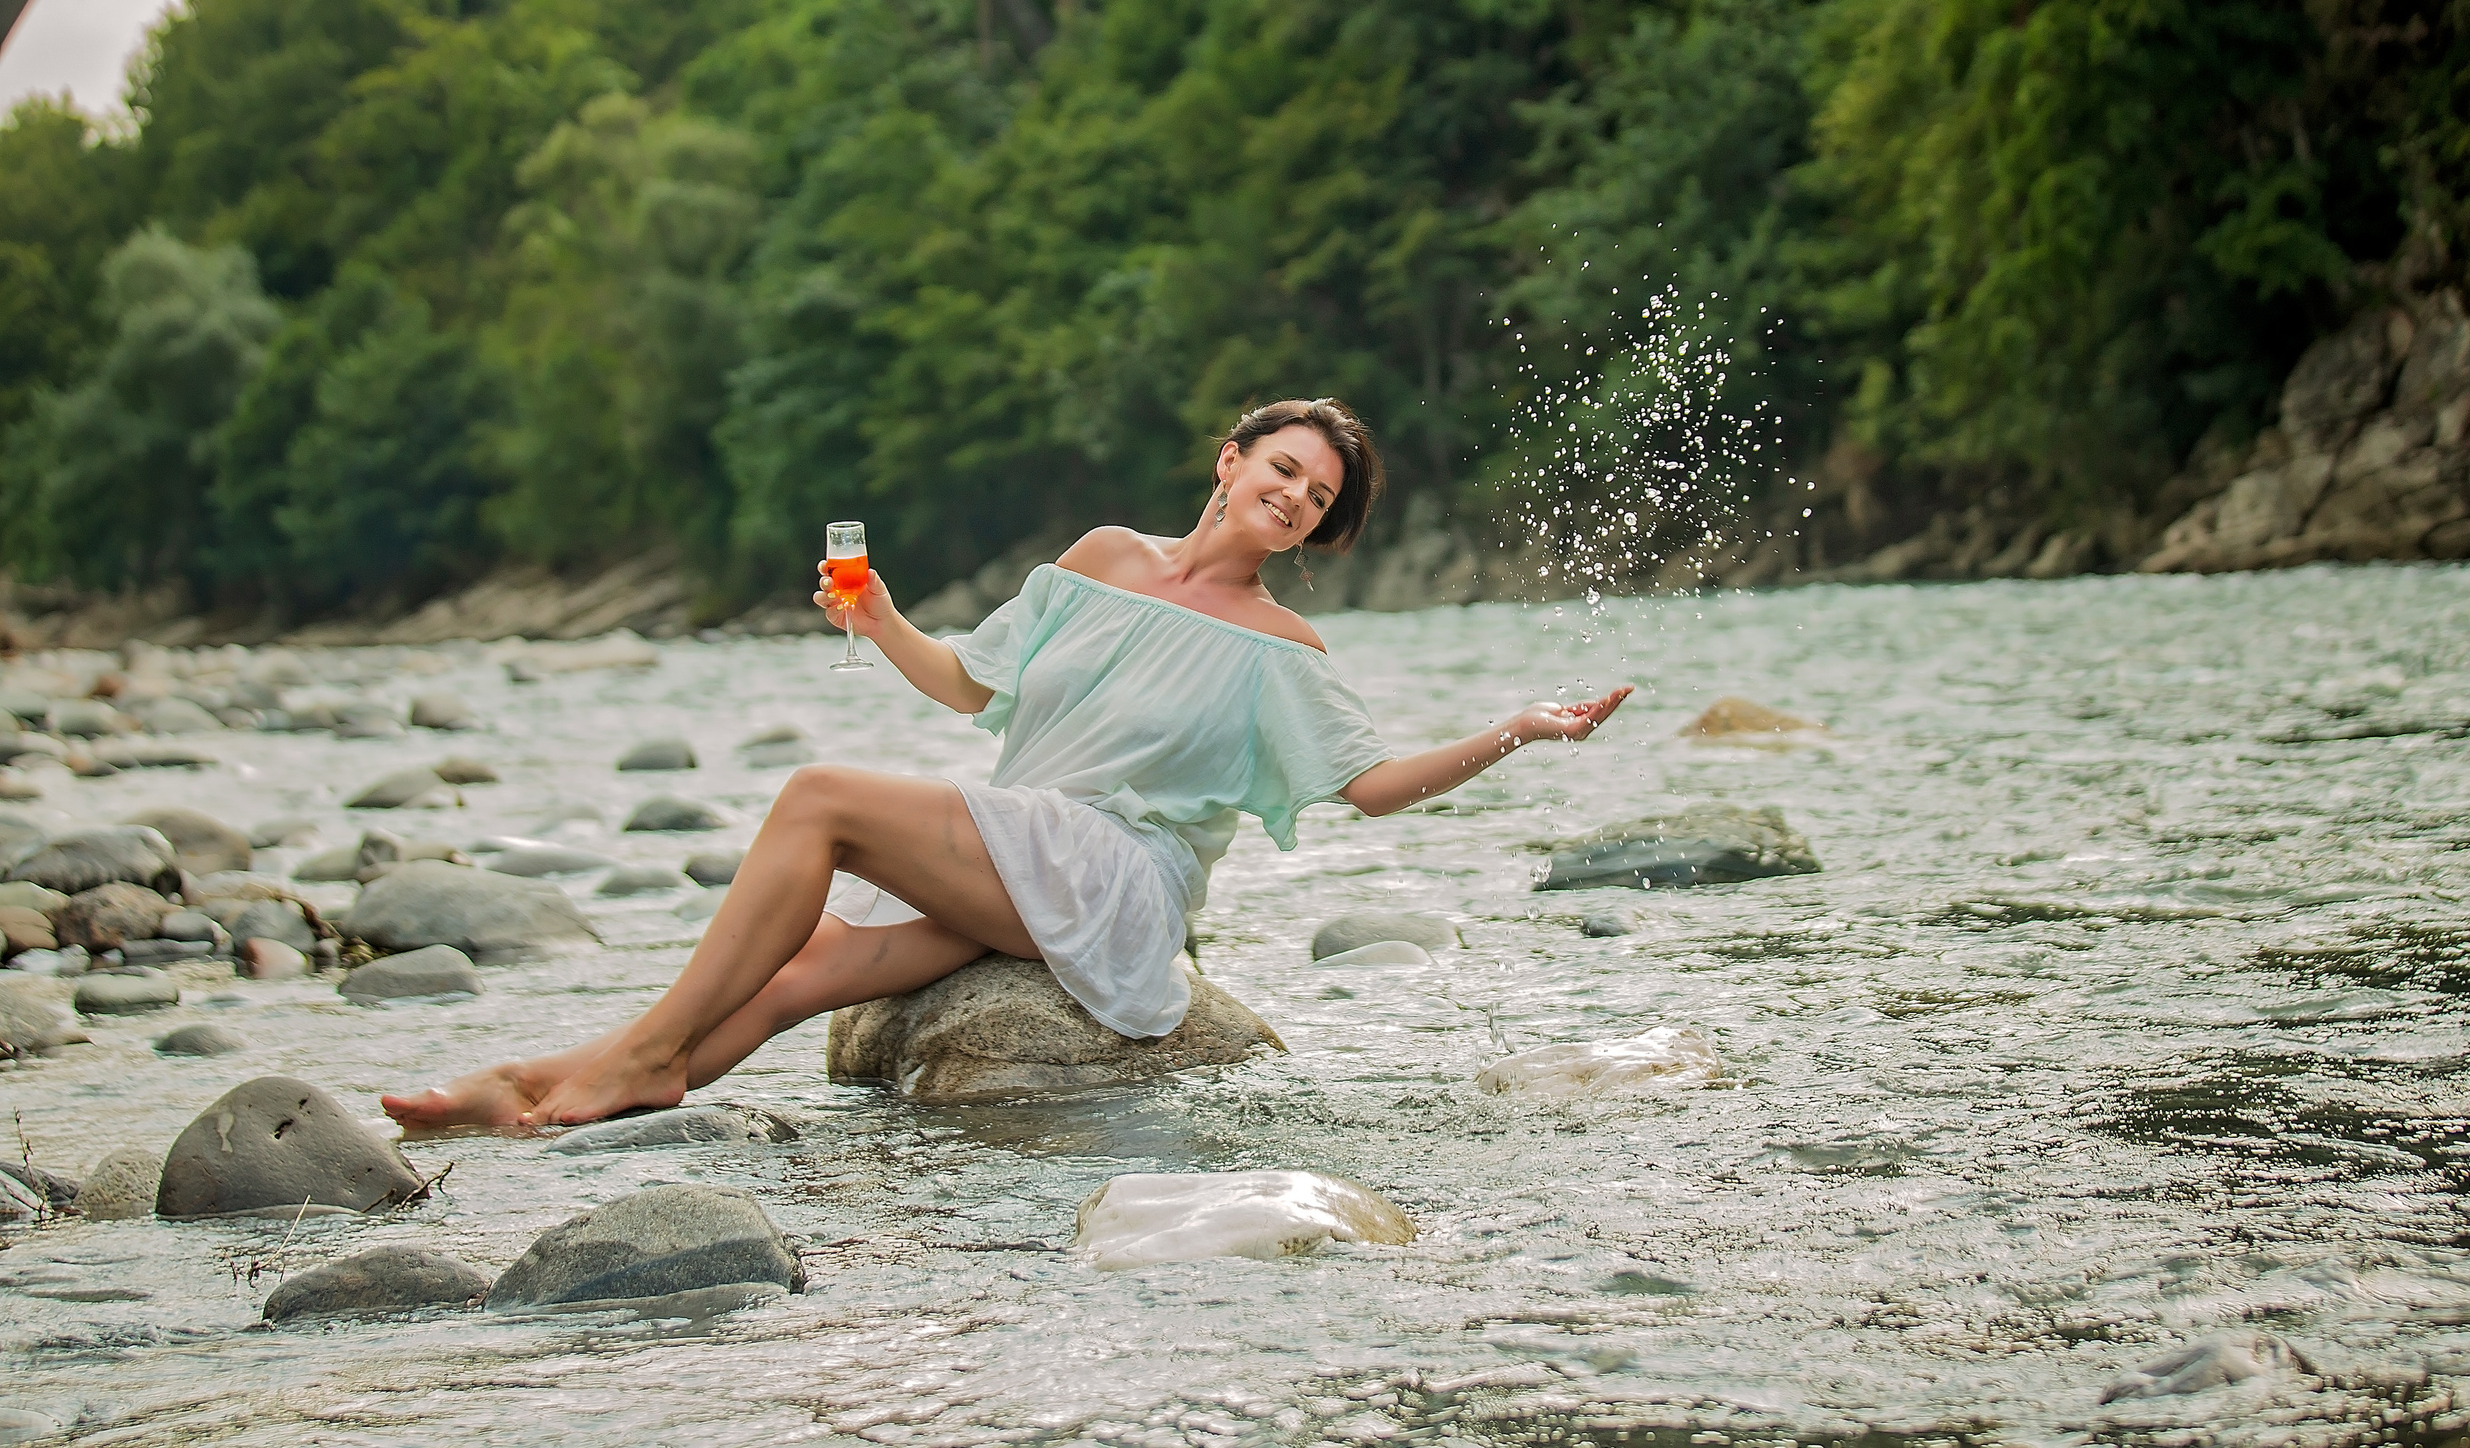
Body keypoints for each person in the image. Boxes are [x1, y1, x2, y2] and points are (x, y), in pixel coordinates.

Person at [382, 398, 1631, 1129]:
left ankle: (636, 1058)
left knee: (818, 798)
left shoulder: (1280, 649)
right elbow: (970, 685)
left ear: (1319, 529)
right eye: (1284, 468)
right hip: (1020, 846)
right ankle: (540, 1093)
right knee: (798, 974)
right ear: (1231, 461)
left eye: (1318, 497)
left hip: (1115, 878)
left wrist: (1516, 728)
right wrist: (880, 620)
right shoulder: (1101, 557)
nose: (1296, 495)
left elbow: (1369, 787)